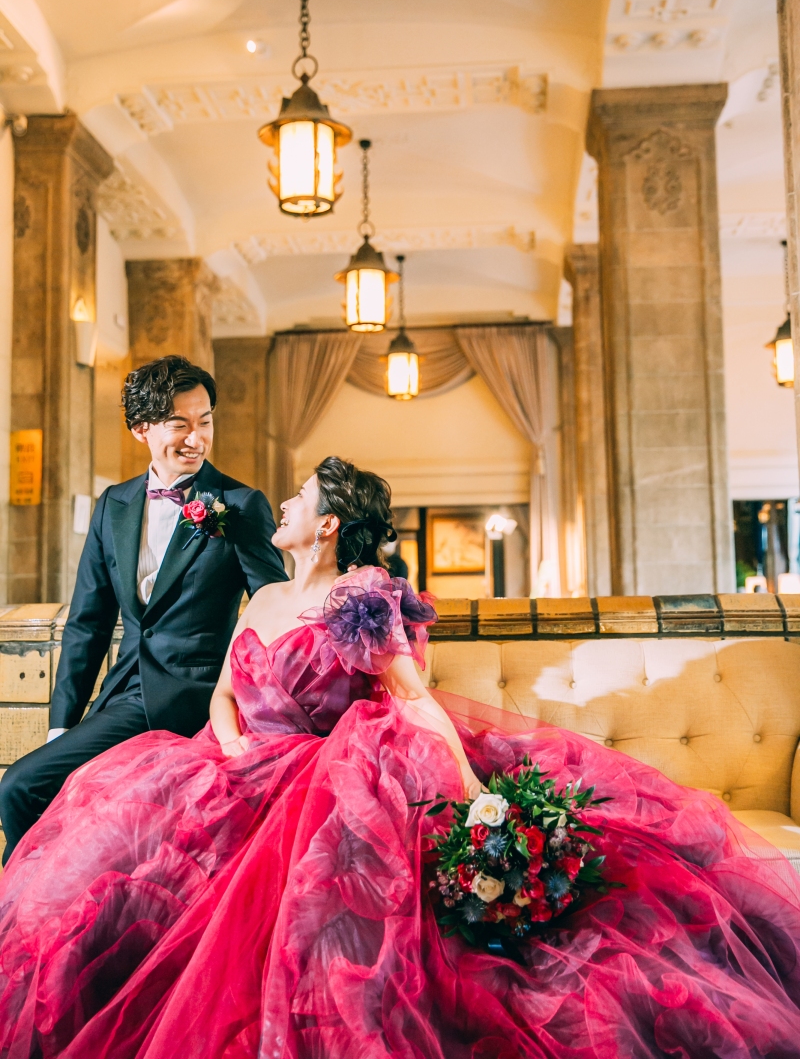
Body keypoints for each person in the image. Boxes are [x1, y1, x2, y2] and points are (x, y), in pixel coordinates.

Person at [1, 455, 800, 1059]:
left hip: (324, 779)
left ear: (327, 525)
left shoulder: (362, 595)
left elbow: (411, 697)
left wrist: (477, 798)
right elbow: (223, 692)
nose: (283, 503)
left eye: (300, 496)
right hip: (231, 766)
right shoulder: (265, 594)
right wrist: (231, 740)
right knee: (105, 883)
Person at [0, 355, 286, 863]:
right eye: (180, 424)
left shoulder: (240, 505)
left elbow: (273, 610)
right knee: (30, 790)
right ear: (141, 428)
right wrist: (63, 726)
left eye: (205, 422)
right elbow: (87, 624)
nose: (196, 438)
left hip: (197, 698)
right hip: (122, 698)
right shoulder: (114, 504)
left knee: (26, 789)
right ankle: (45, 897)